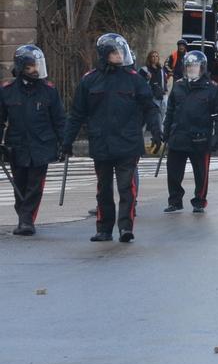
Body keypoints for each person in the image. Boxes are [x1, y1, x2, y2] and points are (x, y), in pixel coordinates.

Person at [62, 34, 162, 243]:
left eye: (120, 51)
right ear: (105, 55)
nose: (120, 55)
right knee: (103, 189)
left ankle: (125, 227)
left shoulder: (135, 79)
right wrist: (66, 141)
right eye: (115, 52)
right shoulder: (89, 80)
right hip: (101, 143)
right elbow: (77, 113)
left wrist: (156, 131)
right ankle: (104, 229)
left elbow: (149, 107)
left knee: (127, 188)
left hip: (128, 143)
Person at [1, 45, 65, 236]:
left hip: (42, 144)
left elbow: (60, 120)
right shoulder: (7, 91)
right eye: (30, 67)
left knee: (35, 185)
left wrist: (65, 143)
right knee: (19, 184)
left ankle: (27, 221)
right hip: (17, 145)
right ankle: (23, 215)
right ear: (21, 68)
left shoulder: (48, 91)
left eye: (37, 66)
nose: (35, 70)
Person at [162, 51, 218, 214]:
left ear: (202, 68)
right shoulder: (178, 86)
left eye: (195, 66)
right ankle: (175, 201)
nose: (192, 69)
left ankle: (199, 201)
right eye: (189, 66)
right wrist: (166, 131)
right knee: (174, 173)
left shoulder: (212, 88)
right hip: (178, 136)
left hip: (201, 138)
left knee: (201, 173)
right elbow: (170, 111)